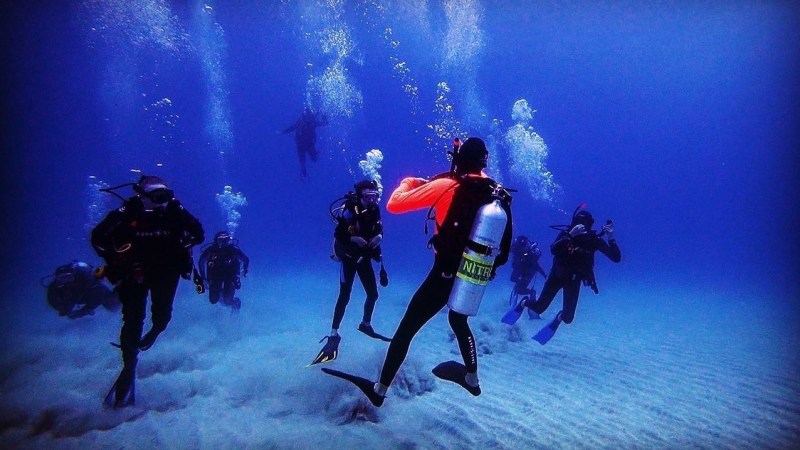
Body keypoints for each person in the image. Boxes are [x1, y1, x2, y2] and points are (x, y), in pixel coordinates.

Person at [322, 137, 513, 407]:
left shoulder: (447, 186)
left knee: (405, 331)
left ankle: (380, 390)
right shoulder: (495, 190)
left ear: (458, 160)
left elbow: (394, 204)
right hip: (473, 271)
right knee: (458, 320)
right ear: (484, 161)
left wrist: (412, 181)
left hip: (444, 273)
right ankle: (471, 378)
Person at [91, 175, 204, 408]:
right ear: (141, 195)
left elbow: (198, 232)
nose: (161, 200)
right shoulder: (128, 210)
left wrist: (185, 242)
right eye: (155, 196)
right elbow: (98, 238)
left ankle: (149, 337)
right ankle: (129, 365)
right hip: (135, 271)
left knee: (162, 317)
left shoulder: (174, 209)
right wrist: (117, 258)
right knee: (133, 319)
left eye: (165, 194)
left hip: (167, 271)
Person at [311, 180, 390, 366]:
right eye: (368, 196)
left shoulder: (375, 209)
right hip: (348, 257)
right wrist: (354, 238)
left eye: (374, 196)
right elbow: (339, 235)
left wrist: (379, 236)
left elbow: (379, 228)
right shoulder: (349, 209)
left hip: (363, 257)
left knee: (373, 294)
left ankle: (366, 324)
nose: (372, 200)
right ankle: (333, 333)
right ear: (360, 196)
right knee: (344, 296)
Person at [526, 206, 621, 344]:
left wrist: (611, 236)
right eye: (579, 223)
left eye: (586, 224)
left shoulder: (593, 240)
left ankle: (558, 319)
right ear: (574, 223)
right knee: (539, 307)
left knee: (568, 318)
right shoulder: (566, 234)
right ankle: (524, 302)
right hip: (557, 276)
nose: (582, 227)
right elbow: (553, 250)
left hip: (574, 279)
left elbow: (616, 258)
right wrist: (570, 235)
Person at [44, 260, 118, 319]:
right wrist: (62, 309)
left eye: (68, 276)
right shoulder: (56, 286)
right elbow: (52, 299)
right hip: (78, 297)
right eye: (61, 277)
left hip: (90, 293)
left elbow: (98, 298)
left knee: (113, 306)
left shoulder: (88, 280)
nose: (65, 280)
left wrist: (81, 313)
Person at [198, 231, 250, 310]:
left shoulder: (233, 250)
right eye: (220, 240)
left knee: (228, 299)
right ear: (216, 240)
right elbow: (201, 262)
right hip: (215, 275)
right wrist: (204, 279)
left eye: (225, 240)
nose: (223, 243)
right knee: (213, 300)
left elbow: (245, 259)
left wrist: (244, 270)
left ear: (228, 240)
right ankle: (222, 293)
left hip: (230, 275)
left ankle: (234, 302)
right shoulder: (211, 250)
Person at [281, 106, 328, 179]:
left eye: (310, 115)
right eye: (308, 115)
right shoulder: (302, 122)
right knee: (303, 159)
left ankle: (304, 169)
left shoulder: (313, 122)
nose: (309, 117)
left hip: (308, 143)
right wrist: (283, 132)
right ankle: (303, 171)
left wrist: (324, 116)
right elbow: (291, 128)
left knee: (313, 159)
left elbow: (325, 123)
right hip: (302, 143)